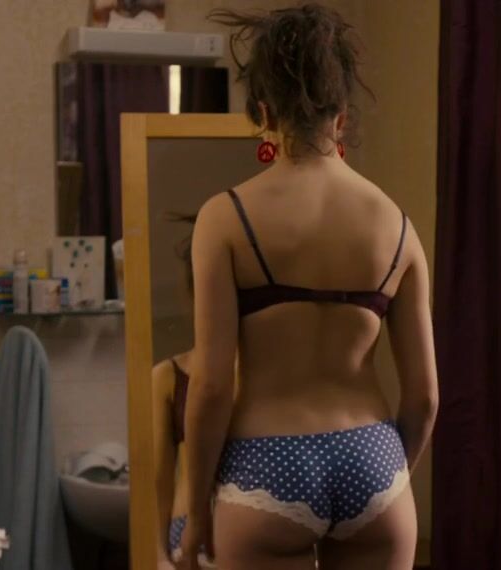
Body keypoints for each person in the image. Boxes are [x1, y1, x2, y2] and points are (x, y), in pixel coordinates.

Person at [176, 4, 439, 570]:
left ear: (262, 113)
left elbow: (212, 387)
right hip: (372, 457)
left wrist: (196, 511)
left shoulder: (225, 217)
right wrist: (390, 477)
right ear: (341, 117)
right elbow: (424, 398)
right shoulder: (398, 226)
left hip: (267, 463)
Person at [152, 214, 216, 569]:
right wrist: (158, 556)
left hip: (253, 531)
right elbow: (157, 482)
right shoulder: (168, 376)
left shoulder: (262, 371)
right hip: (187, 535)